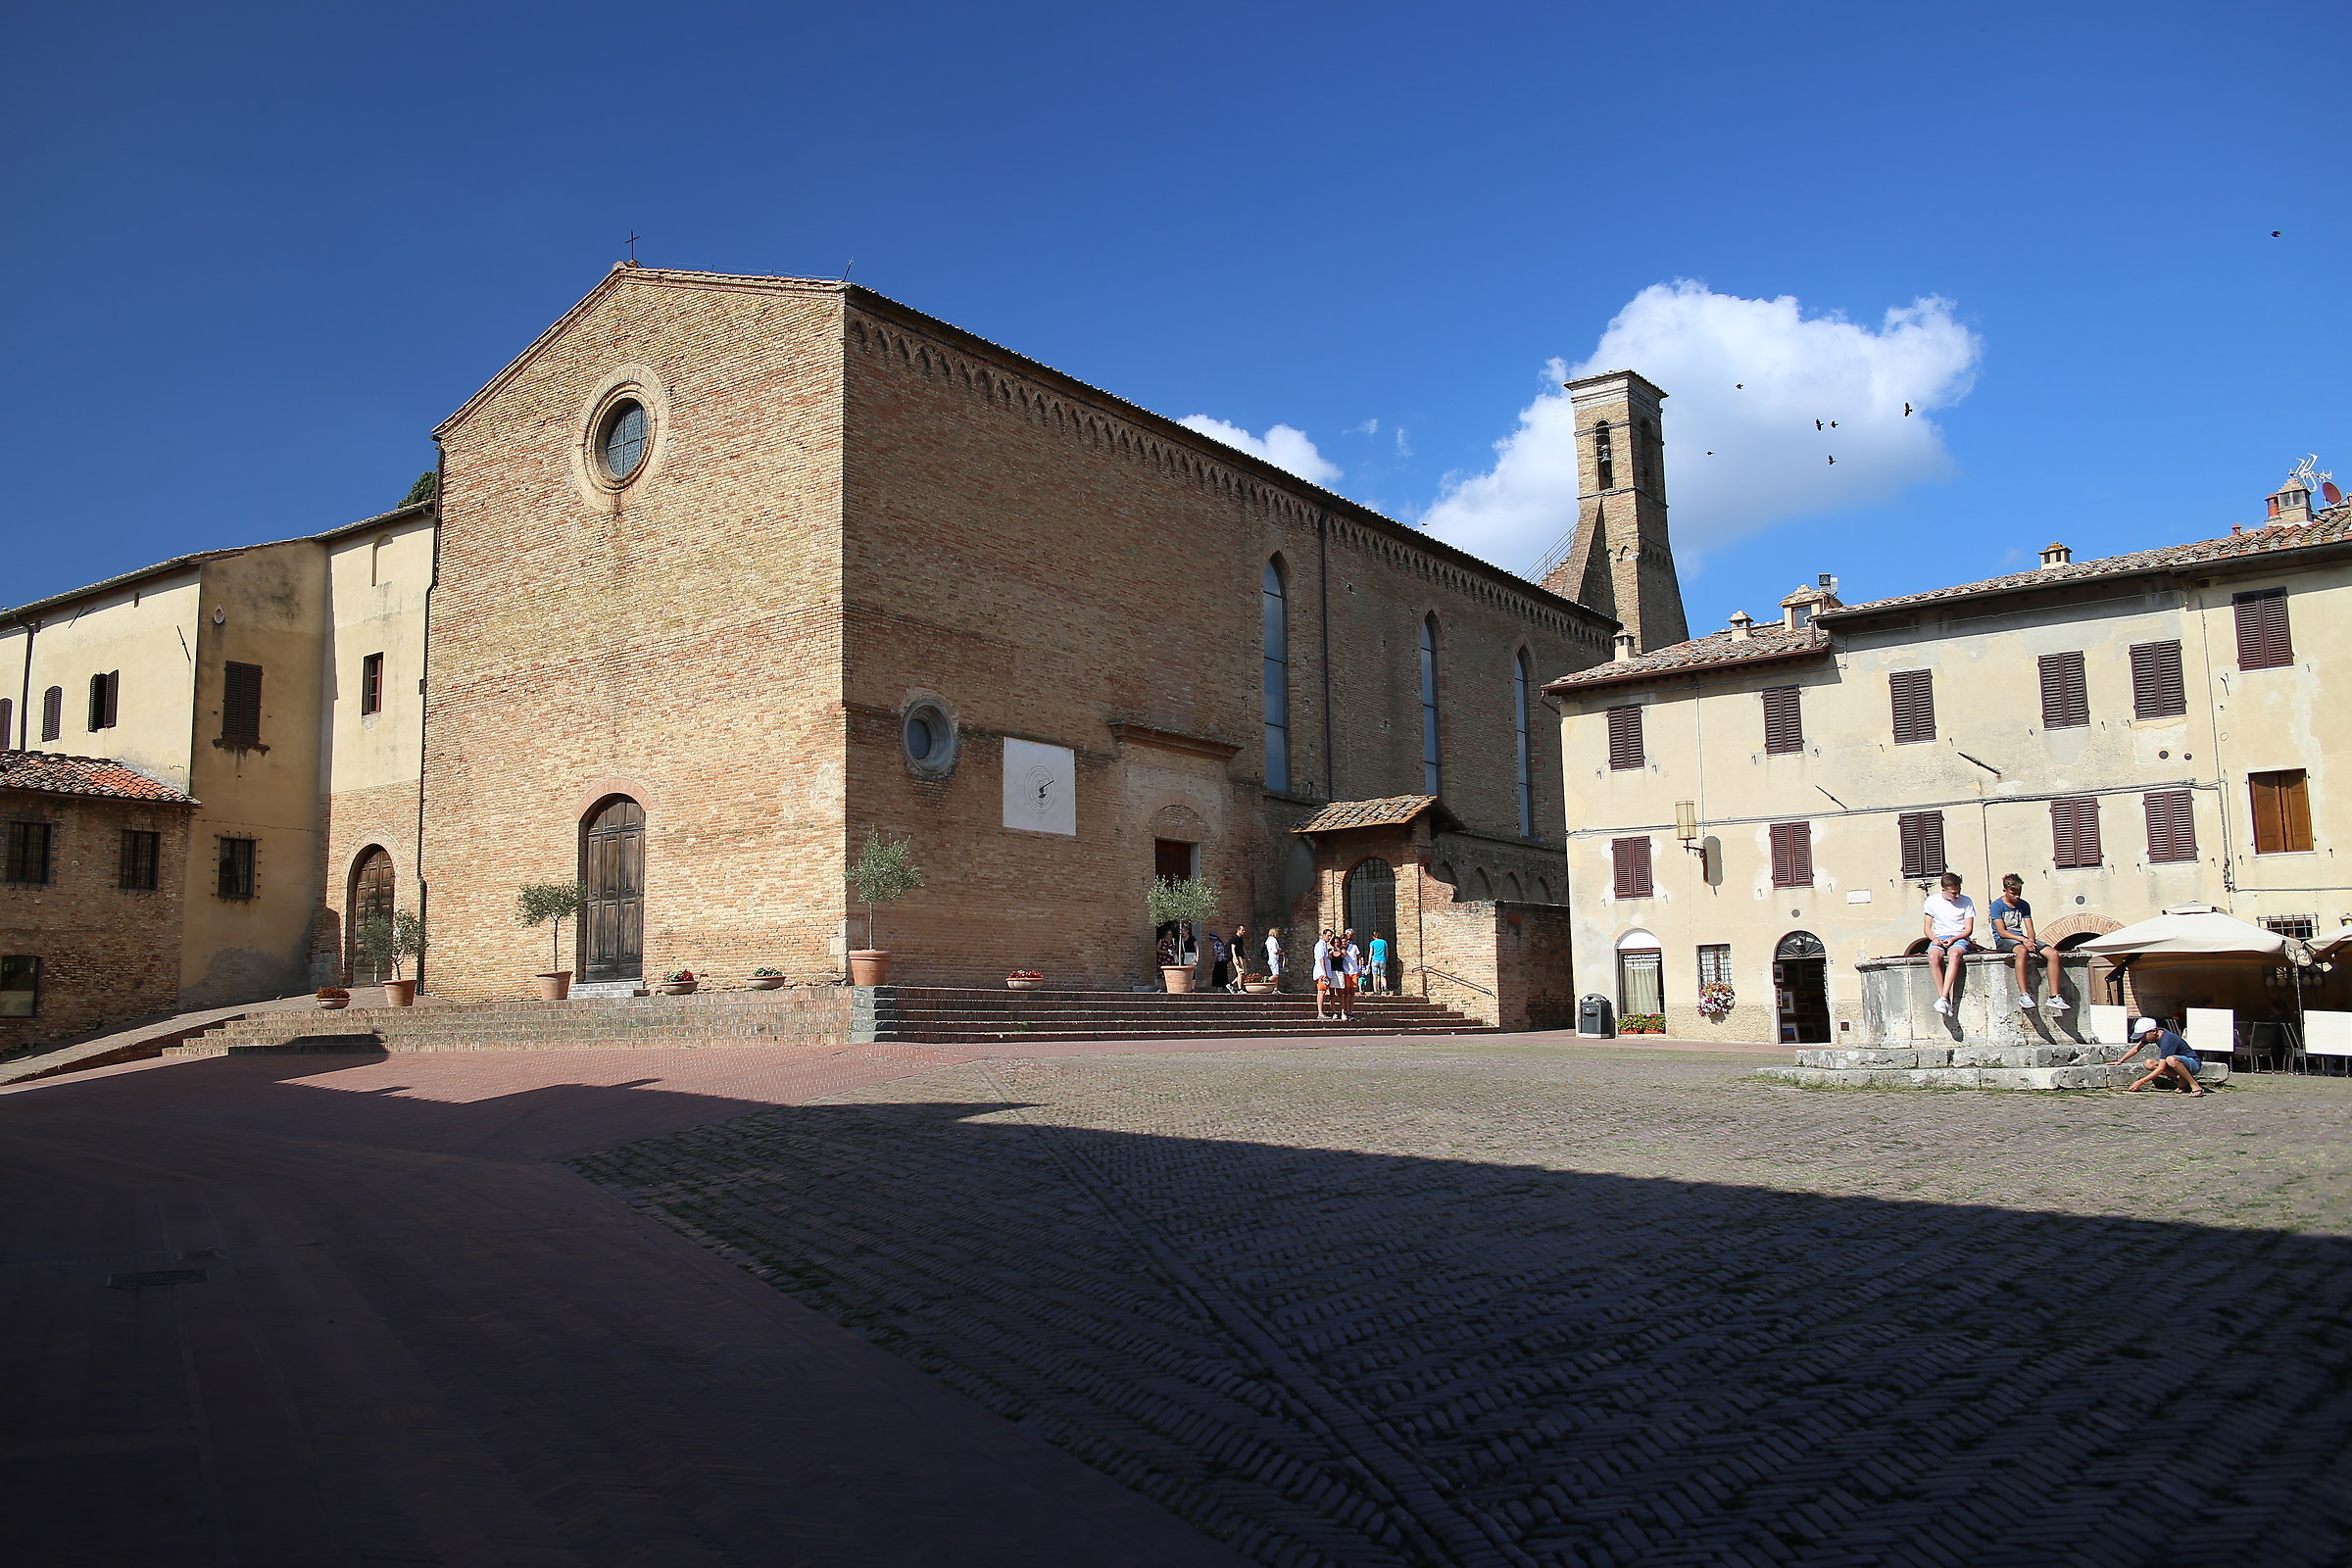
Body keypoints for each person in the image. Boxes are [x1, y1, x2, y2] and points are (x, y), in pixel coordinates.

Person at [1987, 873, 2068, 1011]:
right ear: (2005, 890)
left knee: (2053, 953)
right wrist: (2024, 940)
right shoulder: (1997, 906)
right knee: (2022, 951)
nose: (2016, 897)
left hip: (2021, 938)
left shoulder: (2024, 905)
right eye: (2013, 893)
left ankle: (2054, 996)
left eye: (2019, 893)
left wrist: (2030, 940)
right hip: (2004, 940)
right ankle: (2024, 994)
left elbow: (2030, 928)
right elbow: (2002, 931)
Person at [1921, 871, 1977, 1016]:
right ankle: (1943, 999)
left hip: (1959, 937)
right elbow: (1927, 928)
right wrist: (1934, 939)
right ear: (1943, 890)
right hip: (1939, 937)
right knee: (1933, 955)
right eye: (1953, 893)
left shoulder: (1967, 901)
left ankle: (1944, 996)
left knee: (1955, 954)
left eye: (1958, 892)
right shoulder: (1931, 901)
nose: (1957, 896)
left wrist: (1954, 939)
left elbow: (1969, 929)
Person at [2117, 1016, 2206, 1096]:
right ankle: (2182, 1078)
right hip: (2177, 1063)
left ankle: (2195, 1086)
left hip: (2193, 1063)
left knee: (2170, 1059)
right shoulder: (2154, 1035)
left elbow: (2161, 1069)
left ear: (2154, 1031)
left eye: (2143, 1035)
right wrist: (2121, 1061)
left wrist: (2140, 1082)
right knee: (2149, 1063)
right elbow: (2136, 1049)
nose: (2142, 1038)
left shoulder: (2167, 1040)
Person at [1312, 928, 1338, 1020]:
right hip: (1322, 973)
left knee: (1324, 991)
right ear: (1323, 935)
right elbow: (1321, 959)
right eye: (1328, 936)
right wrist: (1324, 973)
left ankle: (1321, 1012)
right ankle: (1320, 1013)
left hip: (1325, 972)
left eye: (1331, 936)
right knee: (1321, 992)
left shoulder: (1324, 945)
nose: (1329, 938)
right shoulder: (1320, 945)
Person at [1340, 928, 1362, 1021]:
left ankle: (1350, 1011)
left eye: (1345, 941)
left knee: (1352, 992)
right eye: (1342, 942)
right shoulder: (1341, 949)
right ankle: (1346, 1010)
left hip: (1354, 972)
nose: (1344, 943)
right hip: (1346, 972)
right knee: (1346, 992)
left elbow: (1359, 957)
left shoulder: (1354, 947)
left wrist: (1360, 968)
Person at [1228, 924, 1250, 993]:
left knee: (1244, 974)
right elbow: (1233, 949)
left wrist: (1247, 957)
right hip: (1237, 957)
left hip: (1241, 957)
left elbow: (1243, 948)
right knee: (1240, 973)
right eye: (1242, 930)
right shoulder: (1234, 938)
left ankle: (1231, 985)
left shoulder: (1240, 939)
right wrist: (1235, 958)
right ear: (1238, 930)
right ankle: (1239, 989)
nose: (1244, 931)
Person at [1367, 930, 1391, 996]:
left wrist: (1369, 963)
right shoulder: (1384, 942)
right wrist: (1386, 958)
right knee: (1383, 975)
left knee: (1375, 976)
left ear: (1373, 936)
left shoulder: (1372, 943)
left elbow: (1371, 953)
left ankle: (1376, 990)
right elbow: (1387, 952)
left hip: (1375, 960)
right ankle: (1385, 987)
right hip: (1382, 960)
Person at [1207, 928, 1230, 993]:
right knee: (1223, 974)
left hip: (1219, 961)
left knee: (1217, 975)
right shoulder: (1221, 943)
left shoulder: (1215, 944)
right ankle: (1224, 987)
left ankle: (1219, 988)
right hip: (1224, 961)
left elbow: (1216, 954)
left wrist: (1213, 962)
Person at [1263, 926, 1283, 990]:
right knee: (1276, 975)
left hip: (1270, 958)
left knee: (1275, 974)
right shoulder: (1273, 940)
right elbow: (1275, 951)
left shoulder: (1268, 940)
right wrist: (1281, 953)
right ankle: (1265, 981)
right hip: (1273, 958)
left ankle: (1275, 988)